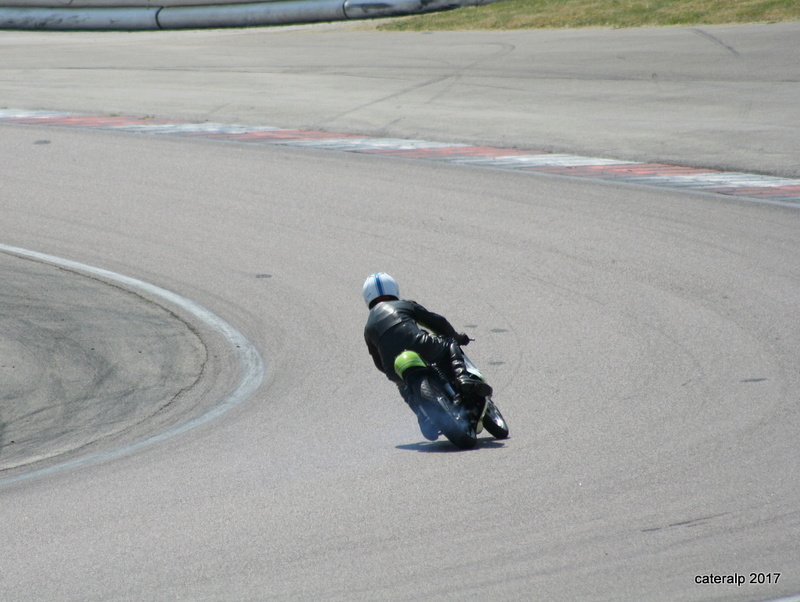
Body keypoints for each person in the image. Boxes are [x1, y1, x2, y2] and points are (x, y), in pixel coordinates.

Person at [362, 273, 492, 440]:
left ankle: (422, 415)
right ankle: (462, 378)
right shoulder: (404, 304)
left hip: (392, 364)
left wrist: (395, 374)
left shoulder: (368, 327)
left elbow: (378, 362)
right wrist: (456, 337)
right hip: (420, 344)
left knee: (403, 385)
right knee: (449, 344)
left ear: (367, 297)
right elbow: (436, 322)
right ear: (394, 289)